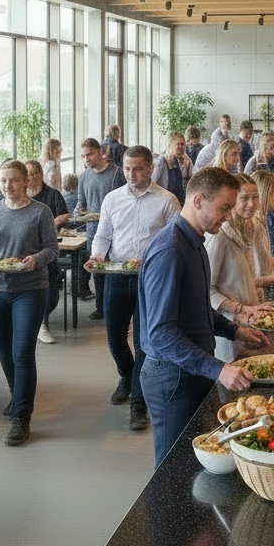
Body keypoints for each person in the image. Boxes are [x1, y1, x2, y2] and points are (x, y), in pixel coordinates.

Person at [138, 167, 270, 467]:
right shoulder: (169, 250)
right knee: (173, 468)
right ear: (198, 201)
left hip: (194, 368)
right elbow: (161, 332)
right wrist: (218, 369)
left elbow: (196, 307)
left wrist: (234, 330)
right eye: (224, 208)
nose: (228, 216)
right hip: (172, 376)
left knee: (196, 460)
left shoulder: (195, 241)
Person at [86, 145, 180, 431]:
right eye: (127, 168)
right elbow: (103, 235)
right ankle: (127, 376)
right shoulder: (112, 199)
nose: (131, 174)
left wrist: (151, 258)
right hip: (116, 275)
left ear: (150, 168)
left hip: (150, 279)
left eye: (138, 168)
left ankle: (138, 403)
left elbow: (176, 242)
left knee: (142, 342)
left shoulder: (167, 200)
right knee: (114, 338)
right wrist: (97, 256)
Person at [0, 160, 58, 446]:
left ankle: (21, 417)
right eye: (3, 180)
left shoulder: (40, 212)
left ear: (26, 182)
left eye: (14, 180)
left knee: (22, 353)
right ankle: (17, 396)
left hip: (30, 290)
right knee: (4, 351)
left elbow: (51, 249)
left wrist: (36, 259)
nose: (8, 185)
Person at [205, 174, 274, 362]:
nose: (252, 204)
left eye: (255, 197)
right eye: (244, 198)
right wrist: (239, 309)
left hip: (250, 320)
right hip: (227, 327)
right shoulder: (219, 235)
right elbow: (206, 290)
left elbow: (246, 279)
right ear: (232, 200)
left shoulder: (251, 226)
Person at [76, 138, 127, 320]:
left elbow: (125, 201)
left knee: (115, 268)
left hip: (116, 230)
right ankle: (100, 307)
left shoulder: (117, 174)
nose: (86, 159)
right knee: (97, 269)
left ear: (100, 153)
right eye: (83, 156)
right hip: (93, 230)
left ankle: (116, 307)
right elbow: (81, 204)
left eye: (89, 154)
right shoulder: (84, 177)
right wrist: (77, 214)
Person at [24, 159, 70, 344]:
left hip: (47, 247)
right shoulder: (20, 195)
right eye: (29, 174)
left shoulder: (53, 194)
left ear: (41, 174)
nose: (32, 177)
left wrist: (57, 221)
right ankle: (31, 321)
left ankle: (42, 322)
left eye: (36, 173)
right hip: (24, 248)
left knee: (50, 285)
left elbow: (65, 215)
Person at [152, 130, 194, 205]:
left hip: (182, 199)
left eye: (182, 144)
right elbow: (154, 181)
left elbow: (190, 180)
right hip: (165, 200)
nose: (180, 147)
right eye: (177, 144)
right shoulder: (163, 160)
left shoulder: (187, 161)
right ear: (171, 145)